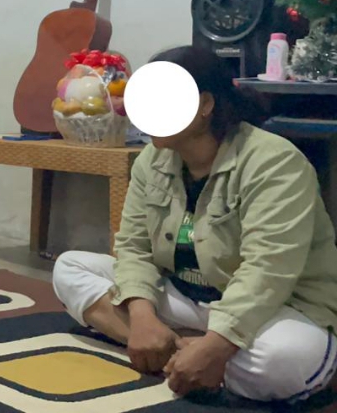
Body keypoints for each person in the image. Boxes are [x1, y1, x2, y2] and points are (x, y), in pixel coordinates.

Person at [52, 46, 337, 403]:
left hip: (273, 308)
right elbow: (134, 248)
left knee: (287, 360)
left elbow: (268, 272)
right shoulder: (151, 160)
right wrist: (142, 316)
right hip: (187, 298)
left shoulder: (274, 162)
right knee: (70, 269)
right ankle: (179, 352)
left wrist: (218, 343)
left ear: (205, 105)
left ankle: (184, 353)